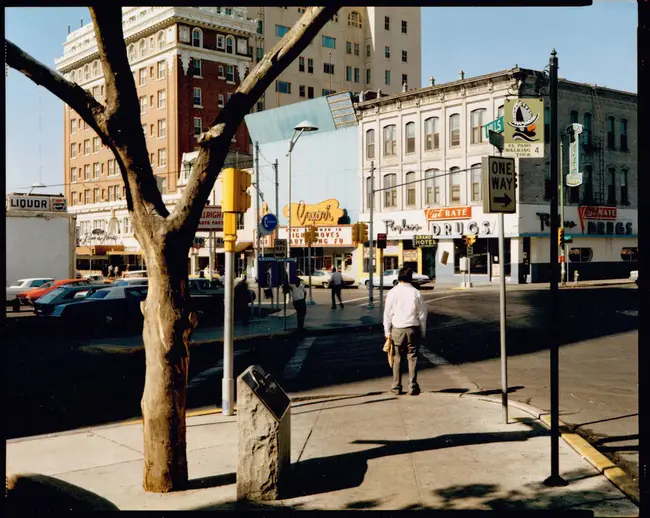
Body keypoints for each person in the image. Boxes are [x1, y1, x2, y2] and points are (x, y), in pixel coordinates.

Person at [383, 267, 428, 396]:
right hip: (413, 328)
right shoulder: (416, 293)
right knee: (412, 357)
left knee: (397, 358)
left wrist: (387, 332)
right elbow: (422, 314)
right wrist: (423, 330)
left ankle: (396, 387)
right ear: (411, 278)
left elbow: (387, 314)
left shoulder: (392, 292)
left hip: (397, 329)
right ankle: (412, 386)